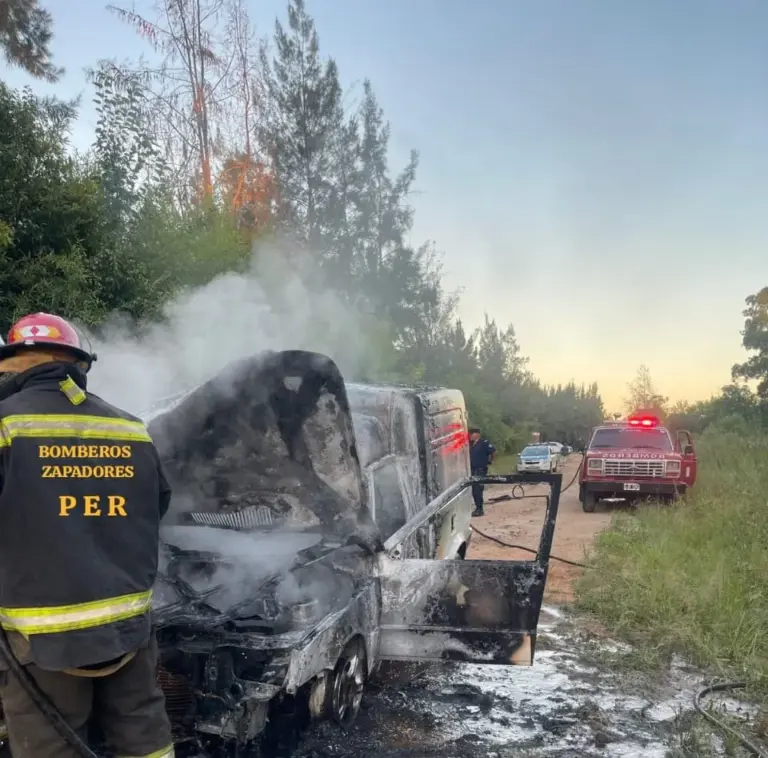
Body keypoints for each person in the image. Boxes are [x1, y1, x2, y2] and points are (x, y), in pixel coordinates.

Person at [0, 313, 174, 758]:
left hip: (43, 643)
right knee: (145, 741)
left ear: (15, 364)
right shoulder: (131, 428)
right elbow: (156, 508)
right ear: (78, 365)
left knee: (51, 747)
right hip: (129, 632)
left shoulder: (6, 426)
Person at [469, 426, 496, 517]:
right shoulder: (470, 444)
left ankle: (480, 509)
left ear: (477, 434)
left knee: (478, 489)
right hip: (472, 470)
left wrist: (490, 461)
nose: (471, 436)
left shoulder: (484, 443)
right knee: (474, 489)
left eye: (472, 434)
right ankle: (477, 507)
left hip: (480, 469)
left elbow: (493, 451)